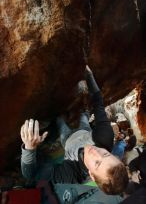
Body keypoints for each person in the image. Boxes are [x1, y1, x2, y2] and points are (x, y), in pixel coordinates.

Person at [21, 65, 128, 195]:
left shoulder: (72, 174)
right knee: (83, 114)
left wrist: (29, 148)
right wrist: (89, 75)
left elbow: (31, 174)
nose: (96, 152)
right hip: (85, 130)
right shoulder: (105, 137)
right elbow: (99, 102)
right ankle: (82, 110)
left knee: (59, 120)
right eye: (106, 154)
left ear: (92, 176)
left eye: (97, 163)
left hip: (67, 140)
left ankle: (61, 112)